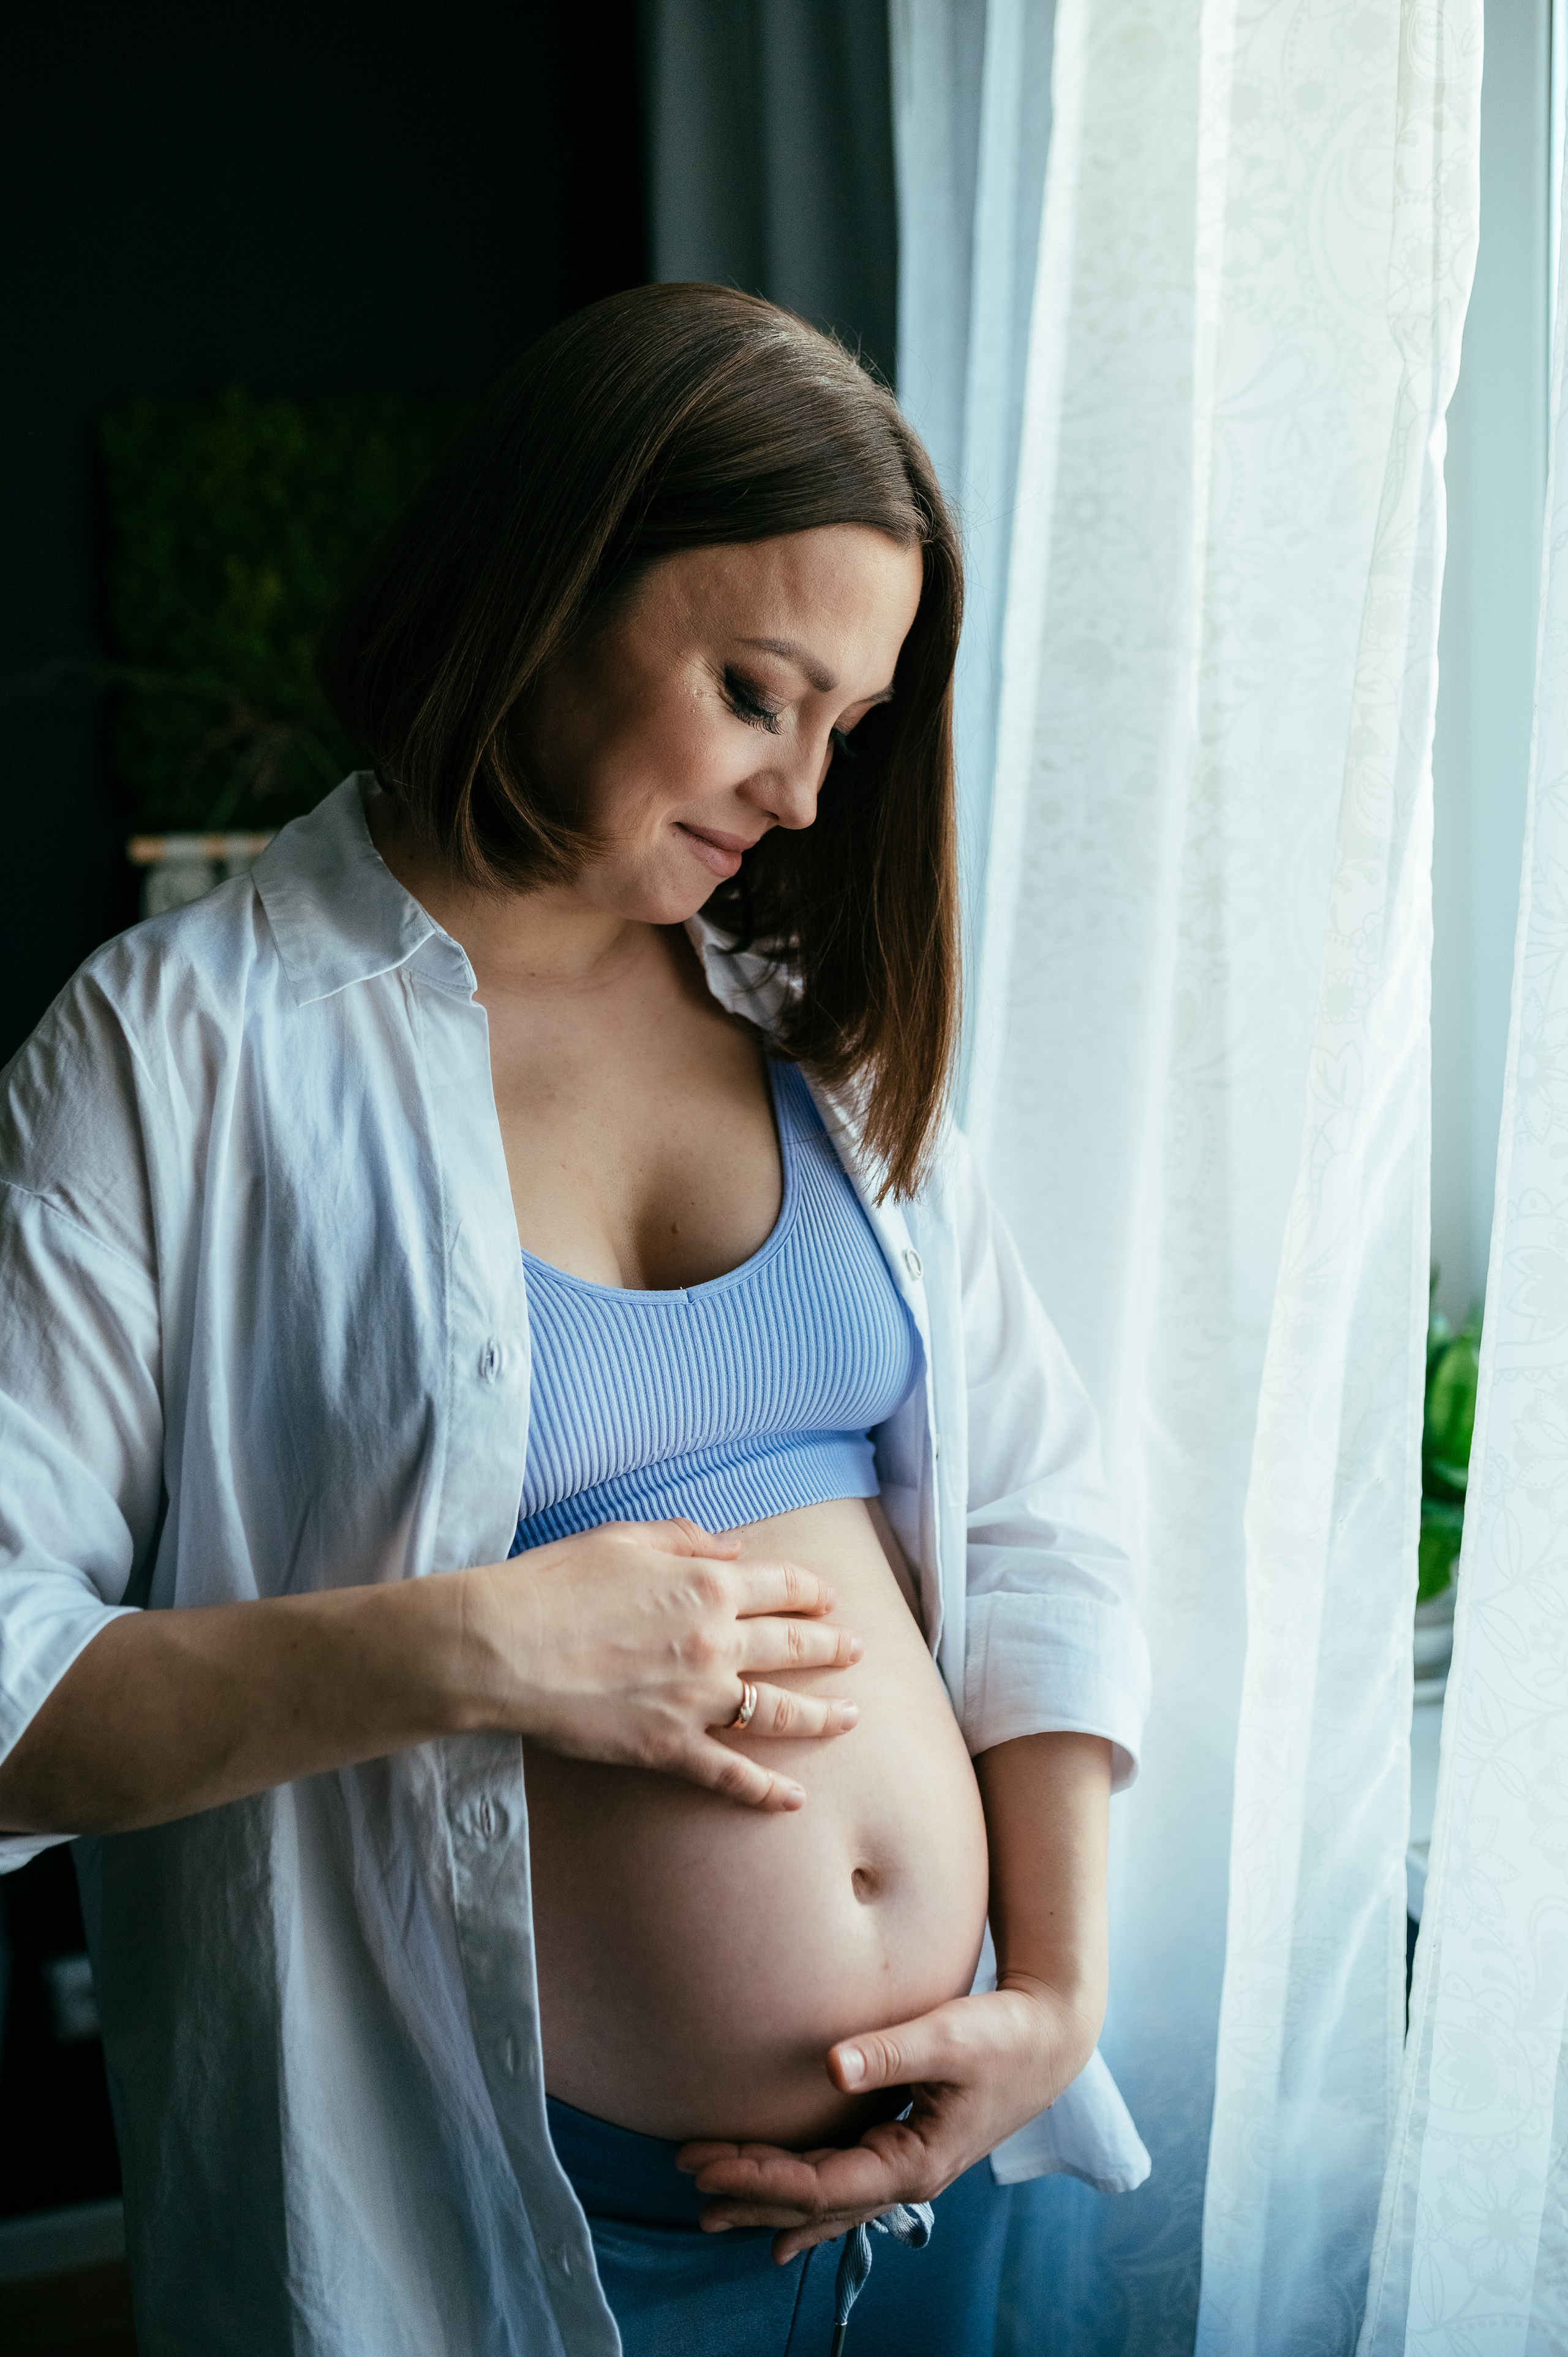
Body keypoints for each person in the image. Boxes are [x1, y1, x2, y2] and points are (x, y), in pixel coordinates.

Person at [0, 285, 1150, 2356]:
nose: (804, 796)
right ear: (549, 584)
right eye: (753, 692)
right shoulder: (175, 1054)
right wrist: (479, 1647)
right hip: (505, 2251)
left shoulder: (810, 1031)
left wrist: (1053, 2002)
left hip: (952, 2186)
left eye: (848, 729)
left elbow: (1037, 1519)